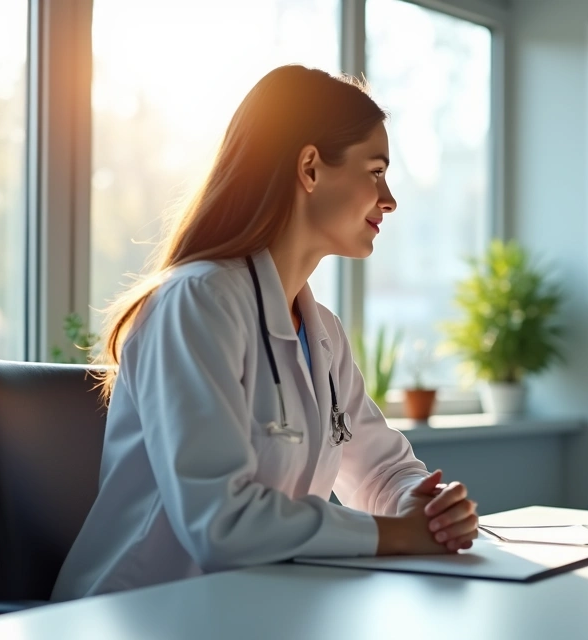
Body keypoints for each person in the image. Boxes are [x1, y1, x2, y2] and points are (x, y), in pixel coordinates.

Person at [53, 66, 478, 600]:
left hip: (255, 607)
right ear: (309, 168)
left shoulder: (322, 331)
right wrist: (396, 535)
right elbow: (221, 522)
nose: (389, 199)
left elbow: (379, 469)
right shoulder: (196, 303)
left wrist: (425, 505)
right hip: (140, 612)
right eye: (375, 171)